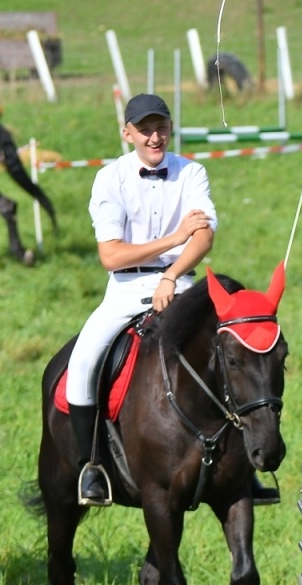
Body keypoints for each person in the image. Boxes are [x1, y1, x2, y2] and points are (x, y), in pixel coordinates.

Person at [66, 94, 216, 506]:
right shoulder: (109, 178)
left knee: (232, 346)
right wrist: (171, 239)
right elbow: (111, 255)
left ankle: (239, 463)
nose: (155, 136)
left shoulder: (192, 172)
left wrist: (170, 273)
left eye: (161, 127)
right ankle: (90, 466)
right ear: (127, 132)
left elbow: (203, 235)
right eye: (145, 129)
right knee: (81, 363)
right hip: (126, 289)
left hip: (180, 282)